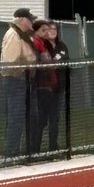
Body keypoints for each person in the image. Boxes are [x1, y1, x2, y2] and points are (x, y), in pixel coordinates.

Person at [0, 8, 37, 157]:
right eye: (30, 19)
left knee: (26, 116)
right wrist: (27, 65)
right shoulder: (14, 35)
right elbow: (11, 62)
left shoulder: (22, 35)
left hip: (23, 80)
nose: (32, 22)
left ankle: (23, 150)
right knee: (16, 117)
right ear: (22, 20)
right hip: (16, 80)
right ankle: (11, 152)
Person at [30, 19, 69, 152]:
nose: (50, 32)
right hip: (44, 88)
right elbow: (46, 62)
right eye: (47, 29)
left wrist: (54, 62)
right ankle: (35, 149)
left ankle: (53, 147)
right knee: (41, 119)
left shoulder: (61, 45)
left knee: (55, 119)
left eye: (53, 29)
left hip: (58, 88)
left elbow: (61, 60)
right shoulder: (42, 44)